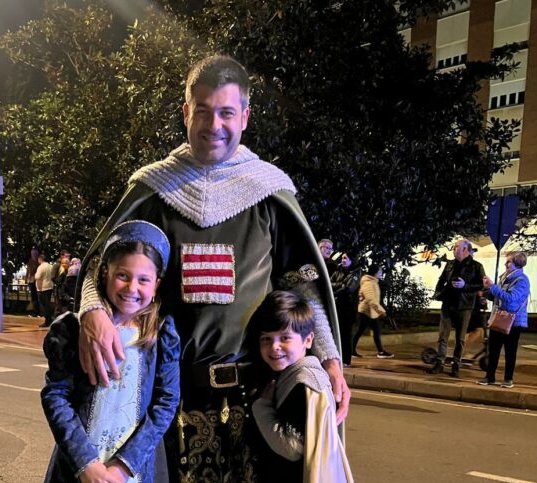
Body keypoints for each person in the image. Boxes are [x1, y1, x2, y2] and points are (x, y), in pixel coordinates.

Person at [75, 55, 348, 481]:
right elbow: (100, 264)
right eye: (202, 111)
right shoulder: (153, 189)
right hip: (164, 400)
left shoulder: (269, 191)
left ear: (245, 116)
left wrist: (328, 357)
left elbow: (302, 283)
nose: (213, 124)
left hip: (255, 399)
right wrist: (91, 310)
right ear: (186, 112)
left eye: (226, 112)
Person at [42, 221, 180, 483]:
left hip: (134, 470)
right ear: (105, 273)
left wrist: (123, 467)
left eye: (143, 280)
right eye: (123, 276)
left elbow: (166, 402)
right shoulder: (71, 329)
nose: (131, 288)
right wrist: (85, 464)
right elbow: (56, 395)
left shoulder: (162, 334)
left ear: (156, 284)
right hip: (80, 469)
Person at [245, 291, 353, 483]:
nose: (274, 346)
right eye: (266, 339)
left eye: (285, 338)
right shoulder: (295, 374)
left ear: (308, 339)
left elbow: (292, 448)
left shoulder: (304, 384)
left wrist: (262, 409)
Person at [429, 239, 485, 377]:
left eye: (456, 247)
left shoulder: (476, 266)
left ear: (465, 249)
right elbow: (441, 280)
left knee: (460, 338)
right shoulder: (450, 264)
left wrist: (465, 286)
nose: (453, 249)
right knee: (443, 336)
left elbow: (481, 285)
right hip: (448, 304)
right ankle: (439, 363)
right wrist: (439, 293)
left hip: (464, 306)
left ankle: (456, 365)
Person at [477, 252, 531, 388]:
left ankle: (508, 379)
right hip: (498, 318)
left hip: (513, 321)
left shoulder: (522, 280)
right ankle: (489, 377)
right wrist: (487, 294)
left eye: (509, 262)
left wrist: (492, 286)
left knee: (510, 351)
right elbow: (499, 297)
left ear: (517, 264)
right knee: (493, 349)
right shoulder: (504, 277)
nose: (505, 264)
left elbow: (511, 299)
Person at [353, 264, 394, 359]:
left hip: (371, 311)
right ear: (375, 273)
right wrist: (381, 311)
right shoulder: (368, 283)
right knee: (361, 331)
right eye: (380, 271)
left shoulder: (373, 282)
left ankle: (380, 351)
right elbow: (371, 299)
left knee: (374, 331)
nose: (381, 273)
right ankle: (352, 351)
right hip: (366, 312)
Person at [331, 252, 361, 366]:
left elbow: (348, 289)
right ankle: (337, 359)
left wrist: (336, 288)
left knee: (346, 335)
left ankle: (345, 361)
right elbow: (329, 283)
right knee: (336, 334)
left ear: (351, 260)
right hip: (337, 306)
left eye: (345, 258)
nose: (342, 260)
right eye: (342, 258)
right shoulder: (338, 270)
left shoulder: (356, 272)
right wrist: (341, 285)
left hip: (348, 309)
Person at [35, 254, 54, 328]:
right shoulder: (50, 266)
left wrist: (35, 275)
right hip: (50, 287)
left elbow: (37, 277)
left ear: (40, 259)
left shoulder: (41, 267)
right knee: (47, 304)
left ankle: (48, 321)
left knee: (44, 306)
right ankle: (49, 320)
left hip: (43, 288)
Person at [26, 247, 40, 317]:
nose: (32, 254)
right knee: (34, 297)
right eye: (32, 253)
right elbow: (28, 271)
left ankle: (36, 312)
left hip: (35, 281)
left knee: (35, 297)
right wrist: (27, 279)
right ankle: (35, 311)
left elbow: (33, 271)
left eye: (34, 253)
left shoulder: (37, 262)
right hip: (31, 281)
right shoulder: (30, 261)